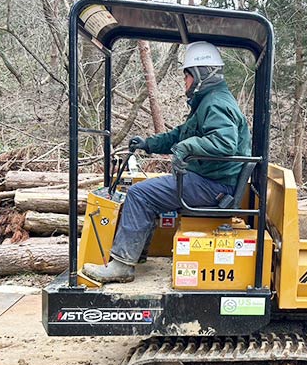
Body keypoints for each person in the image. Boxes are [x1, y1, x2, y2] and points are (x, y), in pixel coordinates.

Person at [84, 41, 251, 283]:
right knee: (147, 193)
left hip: (214, 185)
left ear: (200, 74)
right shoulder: (208, 102)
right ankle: (134, 256)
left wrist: (186, 148)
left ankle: (121, 265)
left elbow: (224, 144)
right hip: (211, 180)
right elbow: (180, 135)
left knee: (140, 194)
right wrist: (149, 144)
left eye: (187, 77)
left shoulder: (216, 103)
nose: (185, 84)